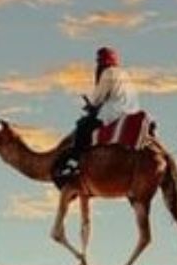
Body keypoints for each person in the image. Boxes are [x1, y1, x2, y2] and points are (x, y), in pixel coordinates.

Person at [52, 47, 139, 183]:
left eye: (98, 61)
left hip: (114, 112)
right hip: (132, 111)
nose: (98, 64)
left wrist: (90, 106)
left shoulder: (107, 73)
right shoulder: (124, 74)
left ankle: (73, 164)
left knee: (82, 127)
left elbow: (98, 98)